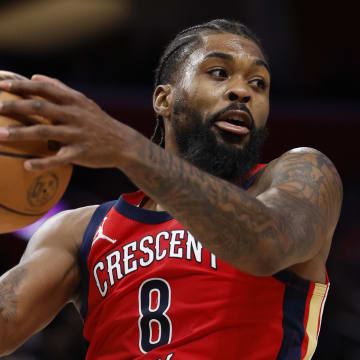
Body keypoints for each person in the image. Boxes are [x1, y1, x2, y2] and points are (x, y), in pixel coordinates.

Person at [0, 19, 342, 359]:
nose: (243, 91)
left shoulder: (304, 175)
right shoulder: (79, 232)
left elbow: (269, 245)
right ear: (164, 99)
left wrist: (126, 146)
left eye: (259, 83)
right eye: (219, 73)